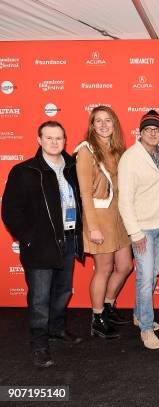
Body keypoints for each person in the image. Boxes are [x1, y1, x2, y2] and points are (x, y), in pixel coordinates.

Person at [2, 121, 84, 368]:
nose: (54, 142)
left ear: (65, 140)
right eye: (48, 138)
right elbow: (10, 211)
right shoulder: (24, 171)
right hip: (39, 245)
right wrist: (28, 238)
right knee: (39, 298)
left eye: (59, 138)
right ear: (39, 140)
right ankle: (39, 345)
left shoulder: (73, 167)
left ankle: (57, 329)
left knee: (63, 291)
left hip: (68, 239)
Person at [74, 106, 132, 340]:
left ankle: (108, 306)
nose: (104, 125)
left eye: (108, 120)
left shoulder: (117, 150)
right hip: (99, 218)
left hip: (119, 217)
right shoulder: (86, 151)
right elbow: (85, 194)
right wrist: (93, 227)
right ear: (92, 125)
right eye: (98, 121)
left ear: (114, 124)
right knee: (104, 269)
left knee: (125, 265)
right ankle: (97, 319)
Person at [118, 110, 159, 350]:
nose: (152, 132)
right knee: (145, 279)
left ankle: (139, 314)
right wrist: (135, 233)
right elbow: (124, 201)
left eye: (156, 129)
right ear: (140, 132)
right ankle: (146, 328)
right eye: (148, 129)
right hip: (143, 229)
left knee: (153, 276)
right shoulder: (130, 158)